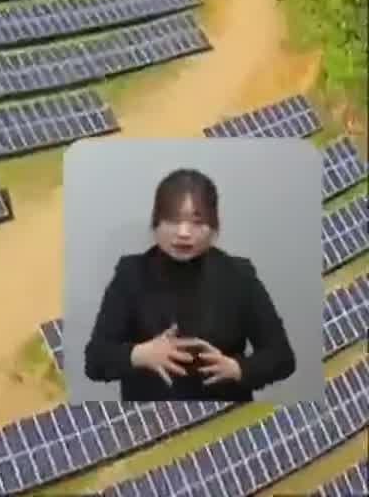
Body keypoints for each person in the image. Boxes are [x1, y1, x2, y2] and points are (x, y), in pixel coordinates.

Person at [82, 168, 296, 402]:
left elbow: (282, 357)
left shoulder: (239, 275)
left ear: (214, 228)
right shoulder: (130, 274)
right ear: (156, 223)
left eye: (197, 222)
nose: (184, 233)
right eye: (173, 220)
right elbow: (95, 361)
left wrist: (238, 369)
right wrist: (139, 355)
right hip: (151, 420)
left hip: (223, 414)